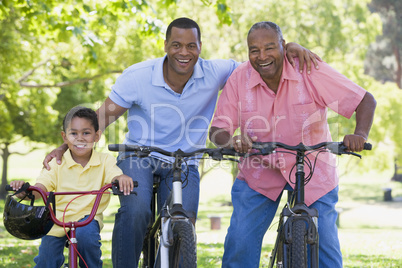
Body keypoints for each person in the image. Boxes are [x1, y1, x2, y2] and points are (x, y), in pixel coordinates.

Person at [42, 18, 321, 267]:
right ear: (165, 45)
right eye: (176, 45)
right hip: (139, 154)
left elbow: (258, 64)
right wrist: (65, 147)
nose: (184, 52)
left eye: (191, 45)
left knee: (184, 222)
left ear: (200, 47)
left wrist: (289, 48)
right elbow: (100, 119)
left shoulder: (217, 71)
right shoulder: (138, 76)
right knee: (136, 210)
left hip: (185, 159)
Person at [209, 21, 376, 268]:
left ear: (283, 46)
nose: (262, 56)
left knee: (326, 251)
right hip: (260, 170)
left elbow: (365, 100)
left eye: (269, 48)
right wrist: (231, 140)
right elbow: (217, 130)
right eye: (254, 50)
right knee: (239, 243)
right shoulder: (239, 79)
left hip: (313, 169)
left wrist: (359, 135)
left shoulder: (308, 69)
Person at [10, 106, 133, 268]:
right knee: (46, 259)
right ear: (65, 137)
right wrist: (24, 191)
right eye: (73, 133)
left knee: (87, 240)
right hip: (57, 221)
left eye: (86, 133)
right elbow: (40, 189)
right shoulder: (56, 163)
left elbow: (114, 175)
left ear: (97, 136)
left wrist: (120, 178)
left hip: (88, 219)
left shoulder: (105, 161)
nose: (80, 138)